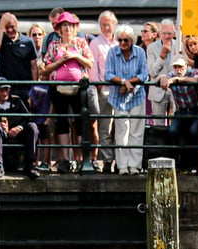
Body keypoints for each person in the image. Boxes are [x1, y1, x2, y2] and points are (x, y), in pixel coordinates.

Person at [42, 12, 93, 174]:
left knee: (79, 122)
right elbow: (46, 68)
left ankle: (81, 160)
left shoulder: (81, 43)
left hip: (79, 88)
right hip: (58, 88)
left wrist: (75, 56)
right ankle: (63, 159)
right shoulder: (54, 45)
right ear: (59, 28)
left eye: (70, 25)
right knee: (62, 122)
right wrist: (61, 60)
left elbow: (89, 63)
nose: (67, 28)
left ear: (74, 27)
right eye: (64, 25)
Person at [105, 24, 149, 175]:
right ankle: (122, 165)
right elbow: (108, 74)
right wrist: (124, 82)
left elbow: (144, 74)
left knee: (136, 131)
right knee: (122, 132)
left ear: (132, 41)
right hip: (119, 96)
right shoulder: (112, 52)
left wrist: (130, 82)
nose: (123, 43)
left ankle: (135, 165)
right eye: (120, 40)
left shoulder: (140, 52)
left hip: (136, 95)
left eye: (126, 40)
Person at [89, 11, 118, 173]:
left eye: (110, 24)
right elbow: (93, 68)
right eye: (104, 25)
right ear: (100, 26)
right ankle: (107, 160)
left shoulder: (119, 42)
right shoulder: (95, 43)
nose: (107, 27)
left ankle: (120, 161)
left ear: (114, 25)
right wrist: (99, 86)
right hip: (105, 90)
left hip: (120, 91)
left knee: (120, 127)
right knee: (105, 128)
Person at [160, 57, 198, 171]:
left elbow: (196, 80)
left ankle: (194, 161)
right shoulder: (170, 75)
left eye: (180, 67)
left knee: (194, 131)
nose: (178, 69)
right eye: (175, 67)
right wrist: (163, 78)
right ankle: (176, 160)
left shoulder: (193, 71)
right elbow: (163, 78)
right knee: (172, 130)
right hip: (181, 110)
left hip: (195, 109)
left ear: (186, 66)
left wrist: (177, 80)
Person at [0, 78, 40, 179]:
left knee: (33, 127)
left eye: (7, 89)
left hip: (18, 131)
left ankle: (30, 165)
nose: (5, 93)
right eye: (2, 90)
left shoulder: (17, 100)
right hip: (1, 132)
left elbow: (28, 118)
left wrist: (20, 127)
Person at [0, 13, 38, 103]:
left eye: (12, 27)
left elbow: (34, 67)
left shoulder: (28, 41)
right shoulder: (1, 40)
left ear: (17, 25)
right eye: (7, 27)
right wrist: (1, 24)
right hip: (6, 88)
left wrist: (34, 87)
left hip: (25, 87)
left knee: (25, 115)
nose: (10, 30)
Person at [146, 19, 178, 126]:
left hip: (175, 89)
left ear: (174, 34)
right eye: (164, 33)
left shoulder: (179, 46)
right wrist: (162, 55)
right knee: (158, 125)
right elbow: (151, 72)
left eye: (169, 33)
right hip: (158, 89)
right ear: (159, 34)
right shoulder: (151, 47)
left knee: (175, 124)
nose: (167, 36)